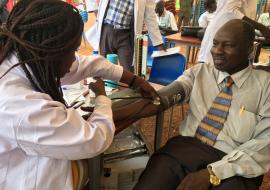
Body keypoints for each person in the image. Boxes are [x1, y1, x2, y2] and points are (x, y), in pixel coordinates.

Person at [0, 0, 158, 189]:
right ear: (52, 53)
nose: (75, 57)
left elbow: (87, 65)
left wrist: (134, 80)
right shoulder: (19, 106)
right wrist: (102, 99)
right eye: (73, 50)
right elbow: (93, 139)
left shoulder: (24, 59)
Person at [112, 19, 270, 190]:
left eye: (228, 45)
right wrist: (110, 112)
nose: (217, 51)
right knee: (154, 180)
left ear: (250, 49)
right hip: (188, 148)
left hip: (236, 161)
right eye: (215, 43)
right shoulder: (199, 72)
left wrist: (214, 173)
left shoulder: (265, 86)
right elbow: (163, 98)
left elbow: (265, 143)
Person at [96, 0, 165, 71]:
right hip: (107, 31)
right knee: (105, 70)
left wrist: (159, 42)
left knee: (128, 71)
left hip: (126, 35)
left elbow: (150, 16)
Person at [198, 0, 270, 64]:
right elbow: (230, 11)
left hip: (231, 35)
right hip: (224, 34)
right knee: (213, 71)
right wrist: (262, 28)